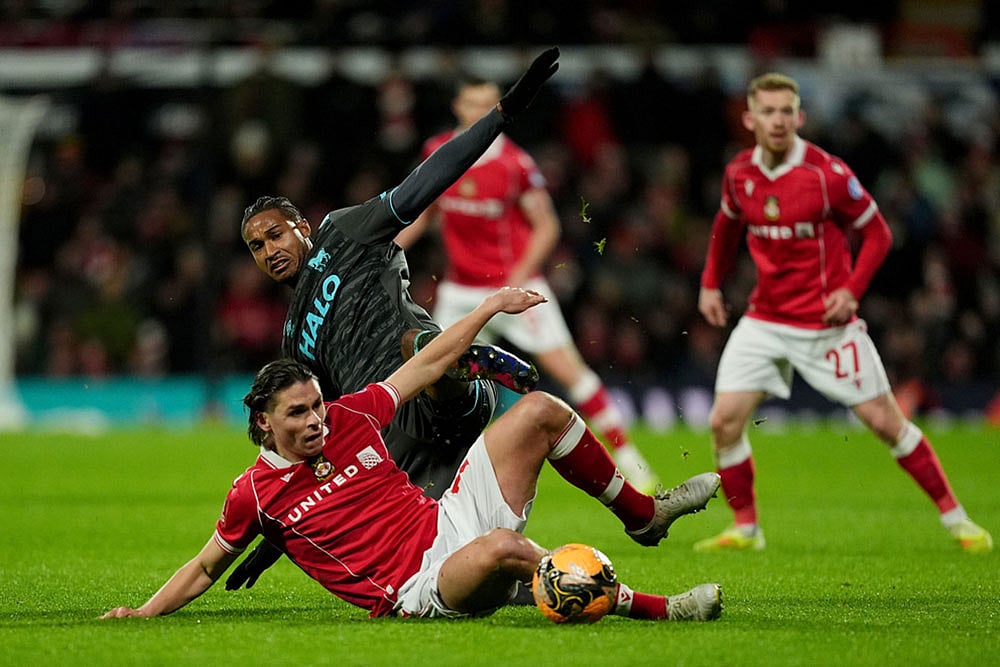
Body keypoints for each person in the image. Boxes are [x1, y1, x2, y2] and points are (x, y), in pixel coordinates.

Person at [102, 286, 723, 622]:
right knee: (503, 550)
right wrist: (144, 611)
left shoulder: (349, 417)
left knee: (540, 411)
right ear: (264, 425)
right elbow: (207, 566)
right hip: (415, 588)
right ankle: (662, 608)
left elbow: (424, 363)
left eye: (317, 404)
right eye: (299, 413)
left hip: (447, 517)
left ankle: (644, 515)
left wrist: (486, 308)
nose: (318, 419)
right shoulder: (255, 495)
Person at [224, 49, 560, 590]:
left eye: (276, 233)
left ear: (302, 226)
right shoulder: (293, 339)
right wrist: (273, 538)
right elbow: (318, 434)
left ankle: (462, 363)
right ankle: (536, 582)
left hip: (431, 386)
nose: (268, 250)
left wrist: (498, 117)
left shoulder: (345, 232)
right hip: (399, 439)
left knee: (412, 344)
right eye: (256, 246)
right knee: (460, 559)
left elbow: (429, 178)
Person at [693, 72, 992, 554]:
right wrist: (710, 283)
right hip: (765, 319)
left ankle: (958, 521)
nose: (778, 120)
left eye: (786, 111)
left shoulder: (826, 174)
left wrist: (851, 292)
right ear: (749, 119)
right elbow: (726, 226)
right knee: (723, 421)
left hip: (825, 326)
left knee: (886, 423)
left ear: (800, 116)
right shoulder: (739, 173)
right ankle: (745, 528)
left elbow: (878, 234)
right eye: (767, 111)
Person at [395, 75, 659, 494]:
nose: (480, 111)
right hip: (460, 291)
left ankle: (633, 464)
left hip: (514, 287)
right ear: (457, 107)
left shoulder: (515, 163)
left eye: (488, 104)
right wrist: (385, 249)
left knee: (571, 373)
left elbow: (547, 225)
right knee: (431, 374)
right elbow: (426, 213)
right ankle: (423, 471)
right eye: (471, 103)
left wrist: (516, 279)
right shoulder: (437, 153)